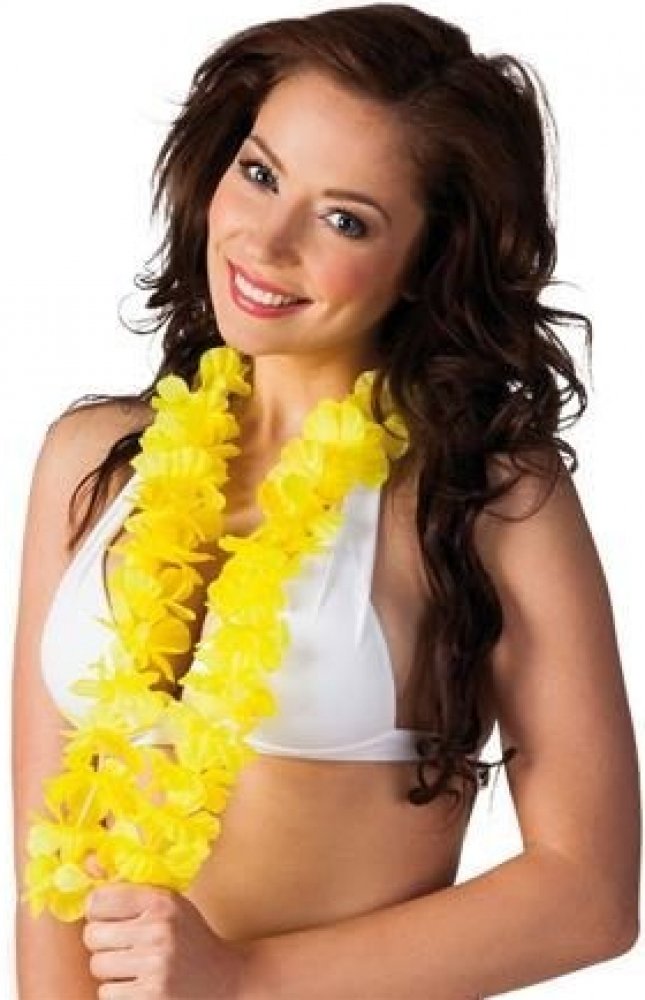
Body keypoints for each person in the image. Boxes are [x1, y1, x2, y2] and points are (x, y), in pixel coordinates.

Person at [12, 3, 640, 998]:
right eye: (260, 173)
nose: (266, 241)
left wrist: (242, 980)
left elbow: (587, 893)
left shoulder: (484, 494)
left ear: (427, 260)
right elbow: (48, 854)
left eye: (345, 218)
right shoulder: (93, 459)